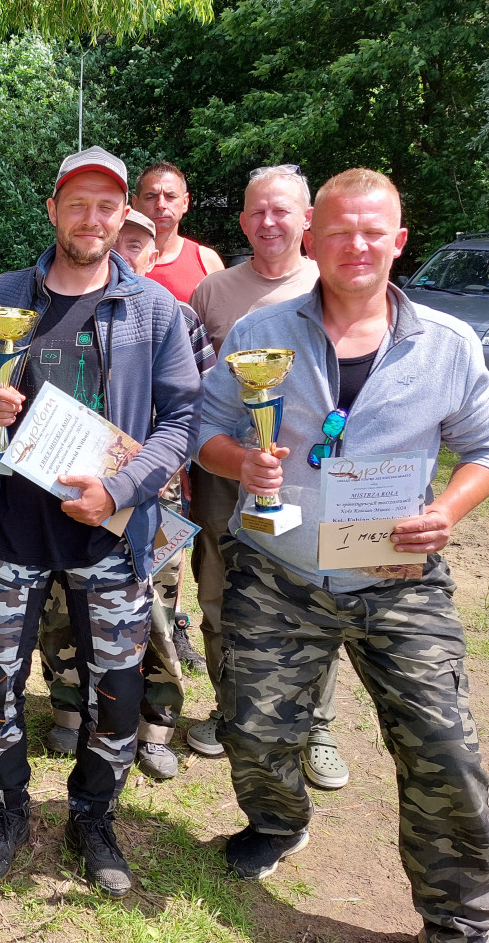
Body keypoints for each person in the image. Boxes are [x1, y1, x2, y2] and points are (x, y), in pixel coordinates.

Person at [196, 168, 489, 941]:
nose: (356, 246)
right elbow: (206, 433)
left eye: (373, 232)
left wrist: (445, 511)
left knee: (443, 748)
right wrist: (244, 463)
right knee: (253, 729)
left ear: (399, 241)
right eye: (339, 231)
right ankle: (277, 823)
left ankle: (459, 917)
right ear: (313, 239)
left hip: (396, 578)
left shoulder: (446, 345)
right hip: (279, 573)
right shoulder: (260, 334)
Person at [0, 146, 202, 896]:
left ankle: (93, 816)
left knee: (116, 692)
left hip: (110, 536)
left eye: (106, 206)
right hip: (9, 529)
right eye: (77, 204)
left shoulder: (153, 308)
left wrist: (120, 488)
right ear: (53, 210)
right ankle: (6, 807)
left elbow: (183, 418)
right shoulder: (4, 295)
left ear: (124, 215)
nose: (91, 219)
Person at [37, 208, 215, 781]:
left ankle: (155, 723)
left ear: (153, 255)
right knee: (61, 602)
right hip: (67, 483)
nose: (126, 253)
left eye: (138, 245)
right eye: (124, 242)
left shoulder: (176, 317)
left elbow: (195, 410)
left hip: (150, 495)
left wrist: (137, 480)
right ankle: (69, 706)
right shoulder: (61, 306)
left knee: (153, 614)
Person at [183, 165, 338, 787]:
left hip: (308, 475)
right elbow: (194, 394)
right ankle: (230, 711)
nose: (268, 222)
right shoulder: (213, 291)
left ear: (307, 220)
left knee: (316, 593)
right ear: (243, 220)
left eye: (282, 210)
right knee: (220, 591)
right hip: (225, 472)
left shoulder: (333, 285)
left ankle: (315, 725)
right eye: (257, 211)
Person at [135, 161, 225, 302]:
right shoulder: (118, 259)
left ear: (185, 202)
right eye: (151, 196)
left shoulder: (207, 261)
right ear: (135, 203)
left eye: (170, 196)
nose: (161, 205)